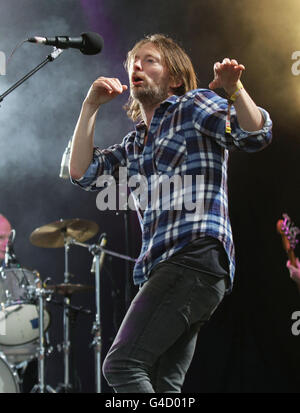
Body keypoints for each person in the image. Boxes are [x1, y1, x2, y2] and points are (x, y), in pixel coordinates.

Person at [69, 34, 272, 393]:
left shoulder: (192, 105)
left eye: (150, 61)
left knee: (122, 364)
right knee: (164, 386)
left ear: (174, 78)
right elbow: (83, 173)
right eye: (133, 61)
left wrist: (235, 90)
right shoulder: (135, 143)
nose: (137, 66)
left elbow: (253, 135)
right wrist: (89, 106)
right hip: (174, 266)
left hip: (193, 256)